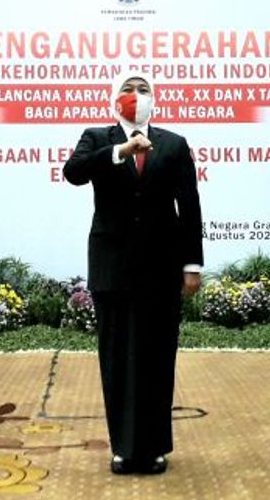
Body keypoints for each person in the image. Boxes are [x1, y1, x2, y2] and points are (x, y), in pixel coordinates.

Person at [63, 71, 203, 475]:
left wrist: (191, 265)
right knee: (117, 359)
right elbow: (73, 173)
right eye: (128, 89)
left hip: (162, 268)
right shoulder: (97, 138)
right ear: (114, 99)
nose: (136, 95)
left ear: (154, 100)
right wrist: (121, 151)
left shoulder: (174, 144)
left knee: (158, 359)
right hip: (112, 270)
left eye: (144, 90)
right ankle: (124, 447)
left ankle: (155, 446)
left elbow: (189, 206)